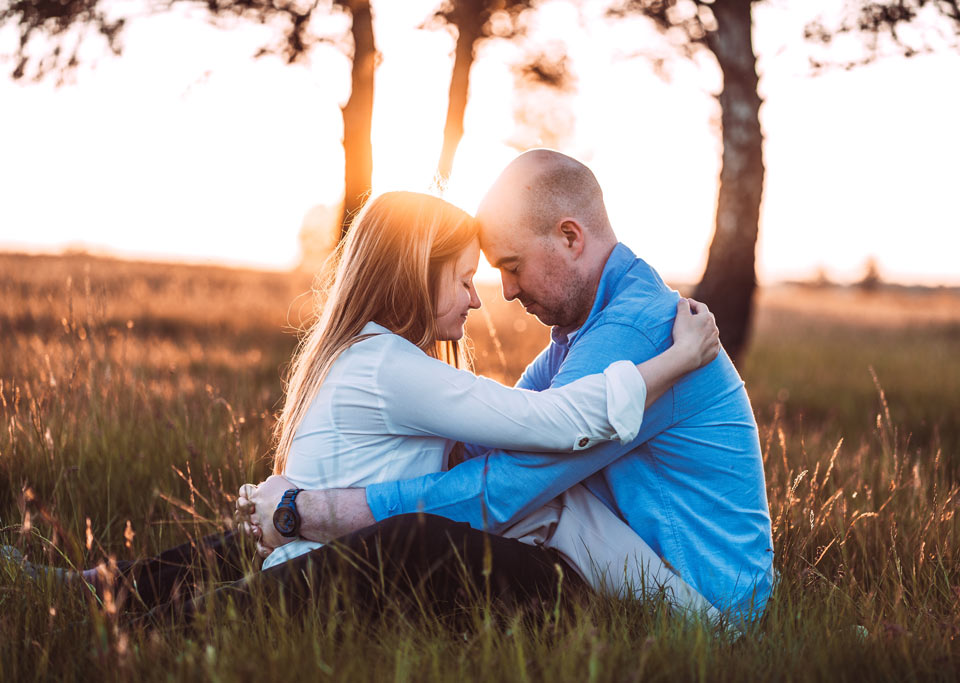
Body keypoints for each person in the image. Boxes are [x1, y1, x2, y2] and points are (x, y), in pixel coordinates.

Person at [4, 189, 719, 623]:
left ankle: (96, 594)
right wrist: (675, 360)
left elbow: (516, 418)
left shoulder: (359, 353)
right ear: (415, 273)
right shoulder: (392, 367)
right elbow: (552, 422)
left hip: (316, 568)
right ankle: (131, 620)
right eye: (464, 278)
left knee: (253, 548)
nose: (477, 299)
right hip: (334, 578)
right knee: (406, 538)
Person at [242, 150, 775, 629]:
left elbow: (507, 487)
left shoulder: (639, 331)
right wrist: (303, 500)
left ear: (570, 238)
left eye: (512, 267)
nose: (507, 291)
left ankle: (233, 605)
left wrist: (316, 511)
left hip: (701, 604)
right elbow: (497, 442)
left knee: (440, 534)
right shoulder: (580, 336)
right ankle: (230, 580)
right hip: (626, 566)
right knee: (430, 539)